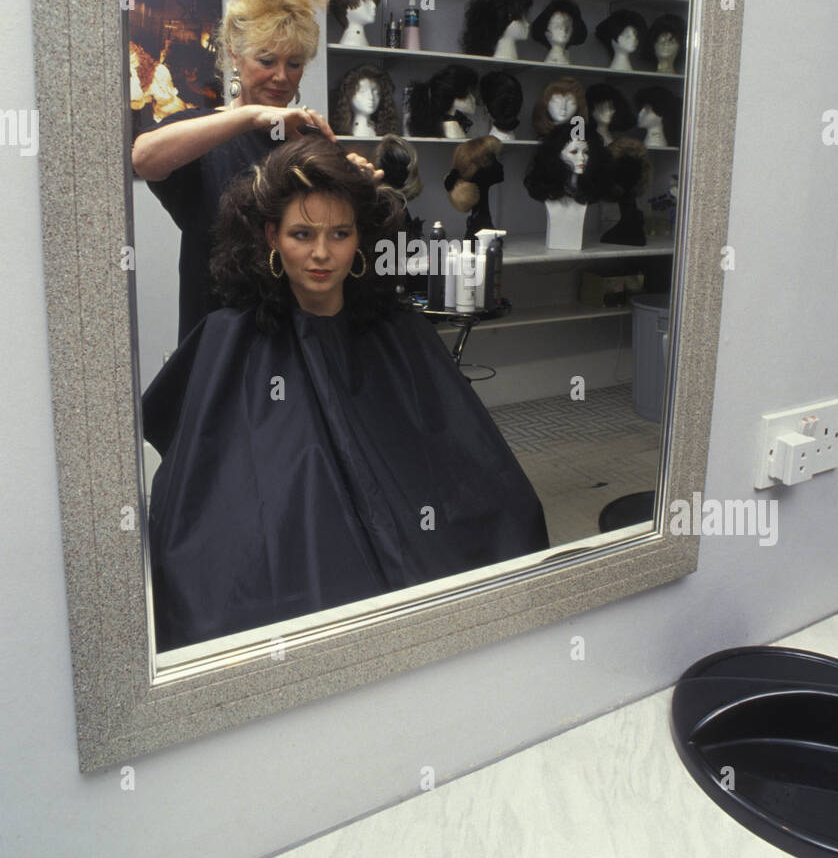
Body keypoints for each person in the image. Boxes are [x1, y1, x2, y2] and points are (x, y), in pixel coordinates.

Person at [141, 136, 550, 651]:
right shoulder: (228, 338)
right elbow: (201, 494)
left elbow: (464, 461)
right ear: (270, 235)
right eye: (300, 233)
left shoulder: (398, 333)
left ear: (360, 239)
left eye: (339, 233)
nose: (320, 253)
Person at [132, 0, 382, 342]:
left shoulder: (309, 139)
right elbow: (144, 159)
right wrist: (250, 117)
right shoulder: (203, 135)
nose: (282, 77)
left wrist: (354, 184)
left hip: (297, 340)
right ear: (234, 51)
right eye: (267, 60)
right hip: (220, 347)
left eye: (295, 64)